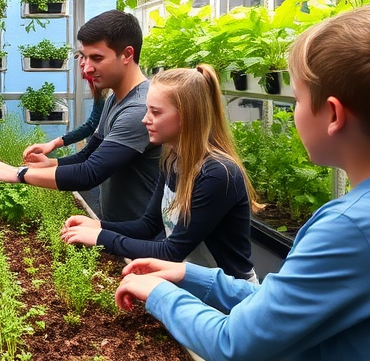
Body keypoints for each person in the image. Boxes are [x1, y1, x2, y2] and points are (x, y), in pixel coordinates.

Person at [114, 3, 370, 360]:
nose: (295, 111)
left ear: (333, 114)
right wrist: (187, 274)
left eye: (297, 100)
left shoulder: (351, 226)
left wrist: (159, 294)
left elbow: (232, 343)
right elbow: (279, 305)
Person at [60, 65, 259, 282]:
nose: (145, 119)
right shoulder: (172, 158)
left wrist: (100, 237)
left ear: (187, 116)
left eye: (156, 112)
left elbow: (172, 251)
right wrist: (97, 225)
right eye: (147, 110)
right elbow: (148, 225)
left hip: (228, 297)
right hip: (192, 286)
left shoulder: (217, 174)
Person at [0, 10, 161, 222]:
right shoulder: (116, 99)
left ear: (127, 55)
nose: (87, 67)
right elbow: (87, 155)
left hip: (143, 239)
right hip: (119, 228)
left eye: (97, 57)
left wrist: (18, 174)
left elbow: (89, 174)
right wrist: (50, 164)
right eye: (83, 57)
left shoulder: (139, 109)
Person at [22, 53, 108, 158]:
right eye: (80, 57)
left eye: (86, 57)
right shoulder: (102, 91)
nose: (81, 63)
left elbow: (88, 162)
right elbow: (91, 125)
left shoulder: (114, 97)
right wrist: (52, 144)